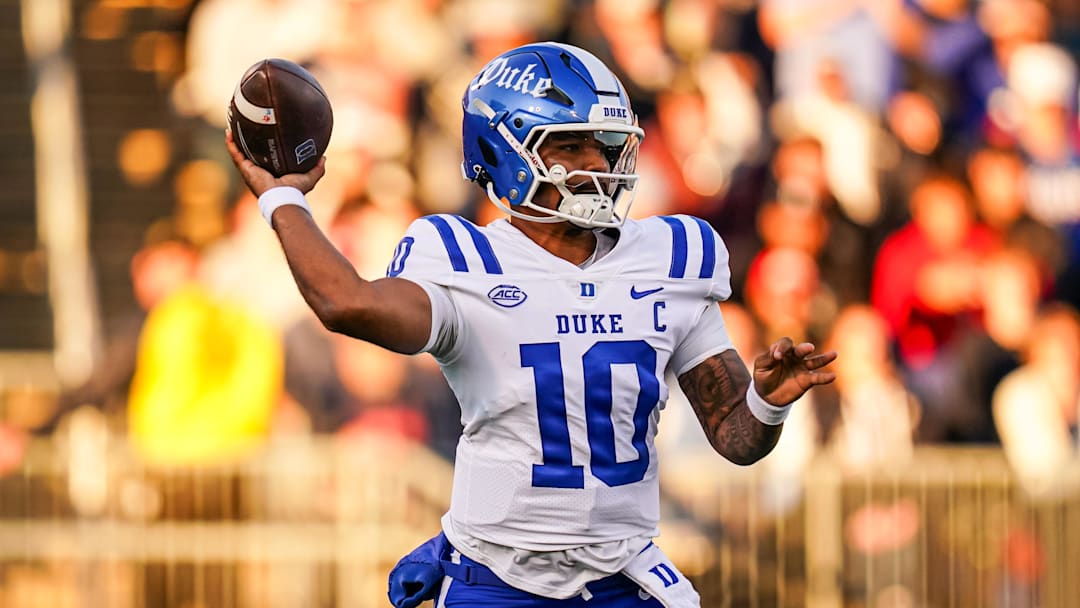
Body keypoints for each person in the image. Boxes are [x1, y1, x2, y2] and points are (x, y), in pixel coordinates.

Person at [225, 42, 837, 608]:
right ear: (504, 151)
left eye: (603, 143)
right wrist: (283, 199)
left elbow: (736, 439)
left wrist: (767, 404)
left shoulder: (673, 254)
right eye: (570, 145)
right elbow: (345, 302)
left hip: (623, 578)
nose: (597, 161)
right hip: (495, 580)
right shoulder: (462, 259)